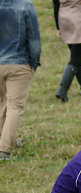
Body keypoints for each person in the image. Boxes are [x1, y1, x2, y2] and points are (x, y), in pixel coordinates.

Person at [0, 0, 41, 161]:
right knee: (15, 107)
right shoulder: (26, 6)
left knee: (3, 102)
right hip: (18, 63)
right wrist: (34, 61)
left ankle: (8, 139)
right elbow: (34, 37)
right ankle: (4, 149)